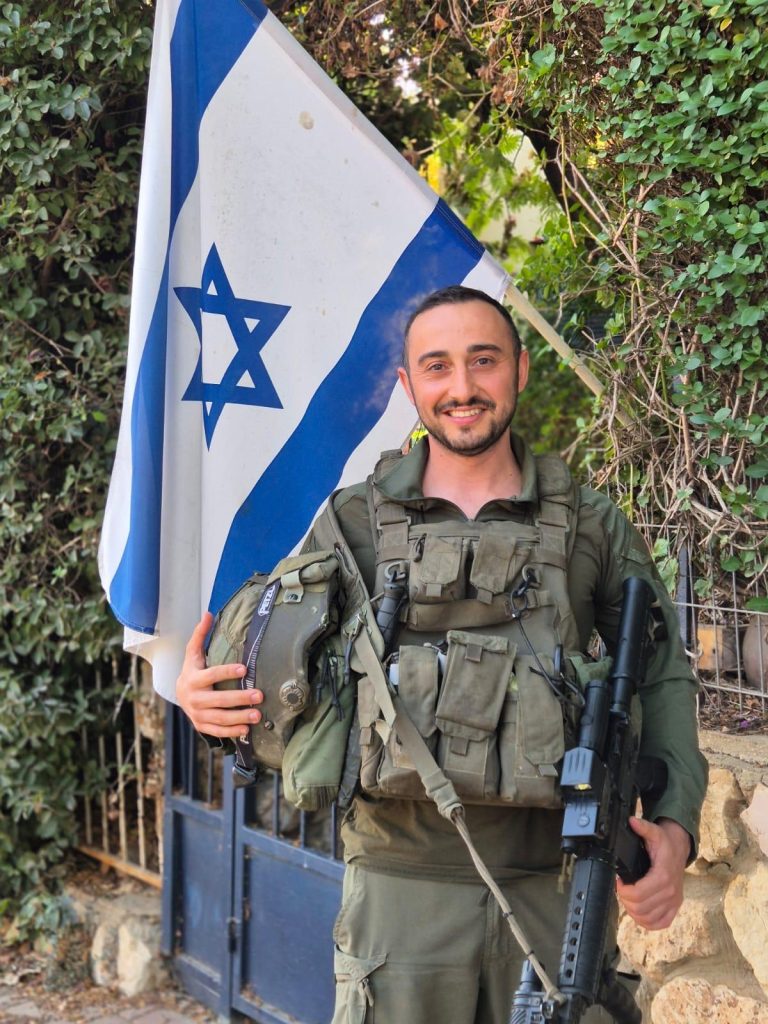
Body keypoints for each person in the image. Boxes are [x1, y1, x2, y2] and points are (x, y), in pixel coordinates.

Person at [176, 285, 707, 1024]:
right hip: (397, 896)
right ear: (407, 384)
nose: (462, 388)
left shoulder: (591, 524)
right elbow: (276, 667)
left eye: (483, 360)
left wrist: (675, 828)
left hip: (556, 887)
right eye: (437, 366)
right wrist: (206, 702)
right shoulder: (352, 523)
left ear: (520, 369)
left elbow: (662, 676)